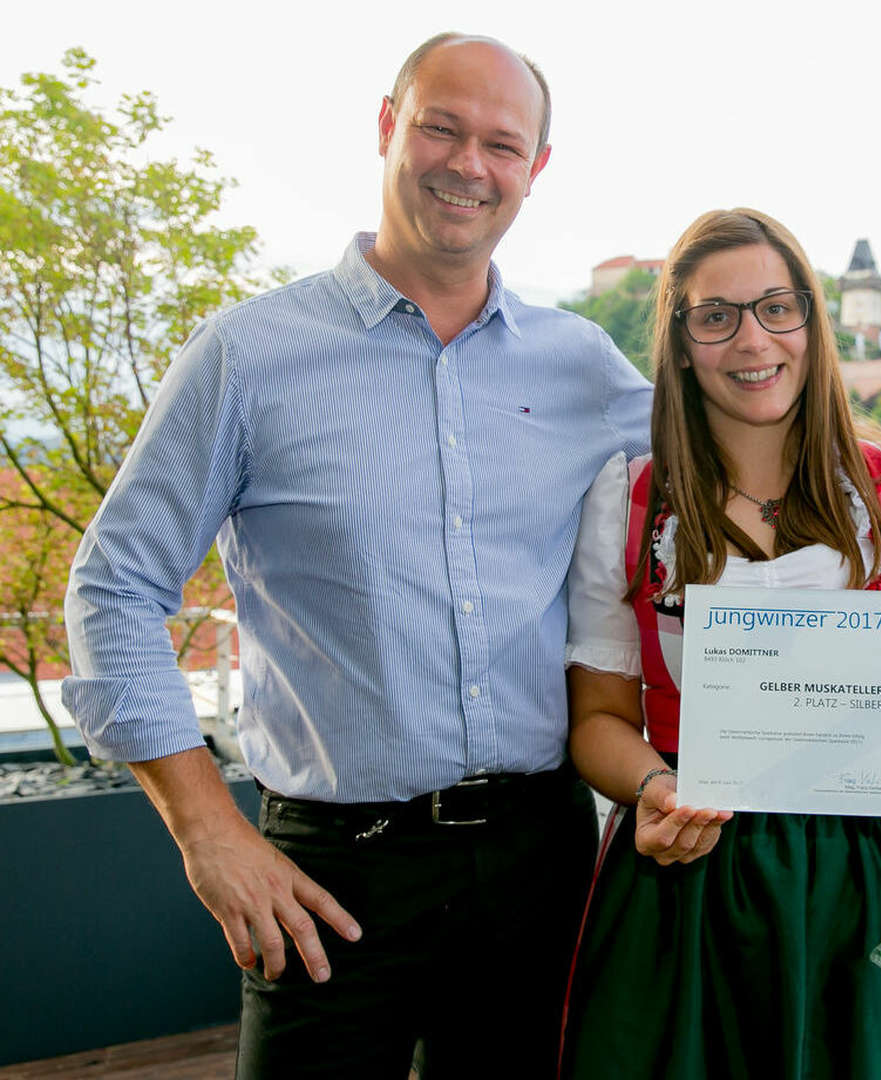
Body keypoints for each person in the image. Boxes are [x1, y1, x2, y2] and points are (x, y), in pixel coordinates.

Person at [61, 32, 651, 1078]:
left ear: (535, 171)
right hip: (334, 873)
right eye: (441, 126)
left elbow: (738, 487)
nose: (469, 164)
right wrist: (209, 833)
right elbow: (112, 590)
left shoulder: (585, 368)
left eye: (502, 144)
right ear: (388, 128)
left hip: (540, 861)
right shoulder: (247, 357)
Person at [558, 208, 881, 1079]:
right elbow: (597, 720)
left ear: (813, 322)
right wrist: (654, 790)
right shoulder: (630, 499)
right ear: (679, 342)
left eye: (777, 308)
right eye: (717, 316)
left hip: (864, 864)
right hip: (691, 858)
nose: (753, 339)